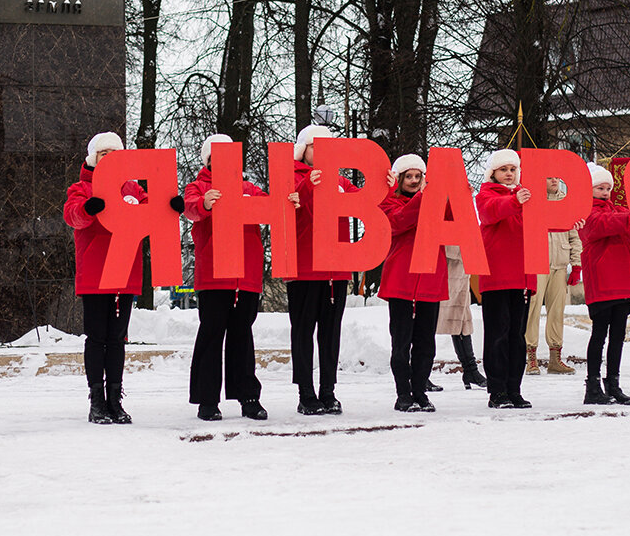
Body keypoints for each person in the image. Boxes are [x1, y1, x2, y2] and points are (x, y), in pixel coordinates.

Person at [64, 132, 177, 424]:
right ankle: (97, 402)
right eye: (104, 153)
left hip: (125, 273)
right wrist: (87, 209)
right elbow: (72, 215)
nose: (110, 156)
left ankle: (115, 400)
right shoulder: (82, 188)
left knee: (117, 339)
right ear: (93, 158)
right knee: (97, 337)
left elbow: (156, 209)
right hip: (95, 274)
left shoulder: (134, 189)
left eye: (115, 151)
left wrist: (170, 204)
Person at [183, 134, 297, 421]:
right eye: (215, 158)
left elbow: (273, 207)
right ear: (207, 160)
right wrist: (204, 205)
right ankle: (207, 401)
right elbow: (189, 208)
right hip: (214, 277)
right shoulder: (198, 187)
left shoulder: (249, 188)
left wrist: (289, 202)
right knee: (211, 336)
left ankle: (248, 397)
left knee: (242, 337)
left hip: (245, 278)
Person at [285, 124, 360, 416]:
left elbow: (366, 204)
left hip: (336, 271)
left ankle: (329, 391)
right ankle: (306, 393)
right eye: (317, 146)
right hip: (304, 269)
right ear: (304, 150)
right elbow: (285, 207)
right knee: (303, 332)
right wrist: (307, 185)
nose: (323, 153)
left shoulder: (341, 181)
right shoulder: (291, 175)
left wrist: (387, 183)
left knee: (330, 334)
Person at [378, 154, 447, 412]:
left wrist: (457, 195)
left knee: (426, 343)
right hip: (401, 281)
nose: (414, 181)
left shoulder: (435, 202)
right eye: (409, 176)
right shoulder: (389, 203)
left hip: (431, 280)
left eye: (418, 176)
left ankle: (420, 392)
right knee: (401, 342)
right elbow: (397, 223)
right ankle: (403, 394)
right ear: (399, 179)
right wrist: (424, 198)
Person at [475, 149, 536, 409]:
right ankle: (497, 391)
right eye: (504, 170)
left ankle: (514, 389)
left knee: (517, 337)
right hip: (497, 276)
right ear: (493, 173)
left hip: (522, 277)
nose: (509, 174)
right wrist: (515, 202)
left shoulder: (526, 196)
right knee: (497, 336)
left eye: (513, 169)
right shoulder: (485, 195)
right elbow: (490, 212)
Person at [578, 163, 630, 405]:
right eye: (600, 187)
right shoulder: (587, 211)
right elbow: (598, 226)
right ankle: (592, 385)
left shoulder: (621, 211)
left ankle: (612, 384)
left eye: (607, 188)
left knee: (618, 336)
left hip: (623, 282)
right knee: (599, 335)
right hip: (603, 282)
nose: (605, 192)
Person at [525, 177, 582, 375]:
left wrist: (576, 265)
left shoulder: (565, 201)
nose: (554, 180)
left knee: (557, 312)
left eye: (557, 177)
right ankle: (530, 357)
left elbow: (574, 236)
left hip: (559, 264)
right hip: (537, 265)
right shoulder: (531, 201)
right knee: (532, 310)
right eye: (549, 177)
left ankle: (555, 359)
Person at [436, 243, 487, 390]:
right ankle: (420, 374)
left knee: (462, 322)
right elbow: (443, 242)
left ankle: (471, 371)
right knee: (431, 319)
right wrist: (467, 251)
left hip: (461, 273)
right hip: (446, 271)